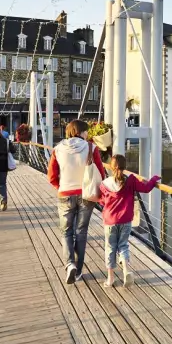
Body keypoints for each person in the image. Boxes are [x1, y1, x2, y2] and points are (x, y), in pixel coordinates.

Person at [47, 120, 106, 284]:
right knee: (81, 232)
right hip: (86, 194)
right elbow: (101, 174)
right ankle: (78, 270)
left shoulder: (58, 149)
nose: (88, 134)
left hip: (65, 193)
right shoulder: (91, 148)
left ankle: (69, 264)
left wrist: (60, 187)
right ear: (80, 132)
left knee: (66, 231)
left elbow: (51, 175)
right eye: (86, 131)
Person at [98, 154, 159, 288]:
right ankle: (126, 271)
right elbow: (146, 188)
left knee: (110, 248)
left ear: (111, 167)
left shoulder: (104, 184)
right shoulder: (131, 181)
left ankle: (110, 278)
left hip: (110, 220)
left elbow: (102, 201)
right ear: (125, 167)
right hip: (125, 220)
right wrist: (154, 179)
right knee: (123, 245)